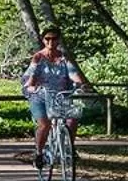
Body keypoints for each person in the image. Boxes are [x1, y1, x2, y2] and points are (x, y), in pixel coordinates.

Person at [22, 26, 88, 168]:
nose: (51, 42)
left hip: (60, 96)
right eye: (47, 39)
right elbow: (32, 78)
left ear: (58, 40)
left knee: (73, 118)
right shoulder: (38, 57)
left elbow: (73, 74)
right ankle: (39, 153)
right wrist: (33, 87)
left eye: (54, 39)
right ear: (43, 40)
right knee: (44, 125)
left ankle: (69, 147)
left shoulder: (64, 58)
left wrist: (80, 85)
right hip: (40, 96)